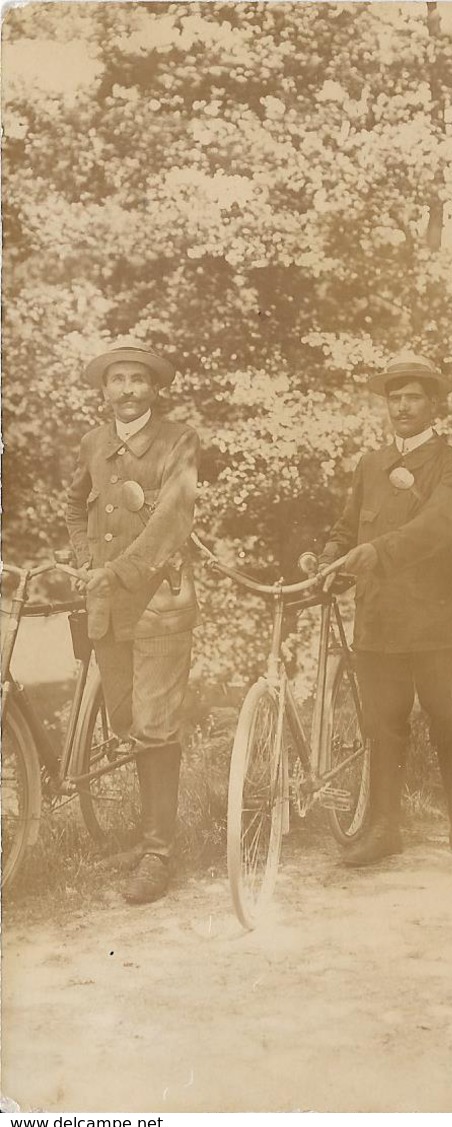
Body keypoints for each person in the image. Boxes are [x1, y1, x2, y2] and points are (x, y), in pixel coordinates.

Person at [319, 351, 452, 867]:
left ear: (433, 404)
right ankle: (383, 828)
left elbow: (445, 526)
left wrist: (378, 552)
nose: (402, 406)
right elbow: (349, 527)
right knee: (382, 724)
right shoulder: (371, 465)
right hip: (379, 621)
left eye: (413, 397)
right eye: (395, 398)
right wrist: (328, 557)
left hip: (438, 618)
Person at [66, 340, 200, 904]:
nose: (127, 390)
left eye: (137, 380)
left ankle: (157, 854)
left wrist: (118, 570)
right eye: (116, 380)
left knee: (154, 724)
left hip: (158, 606)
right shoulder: (94, 443)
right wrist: (84, 562)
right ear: (103, 390)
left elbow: (172, 518)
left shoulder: (178, 441)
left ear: (154, 388)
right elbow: (74, 505)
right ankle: (152, 834)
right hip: (105, 608)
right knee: (126, 723)